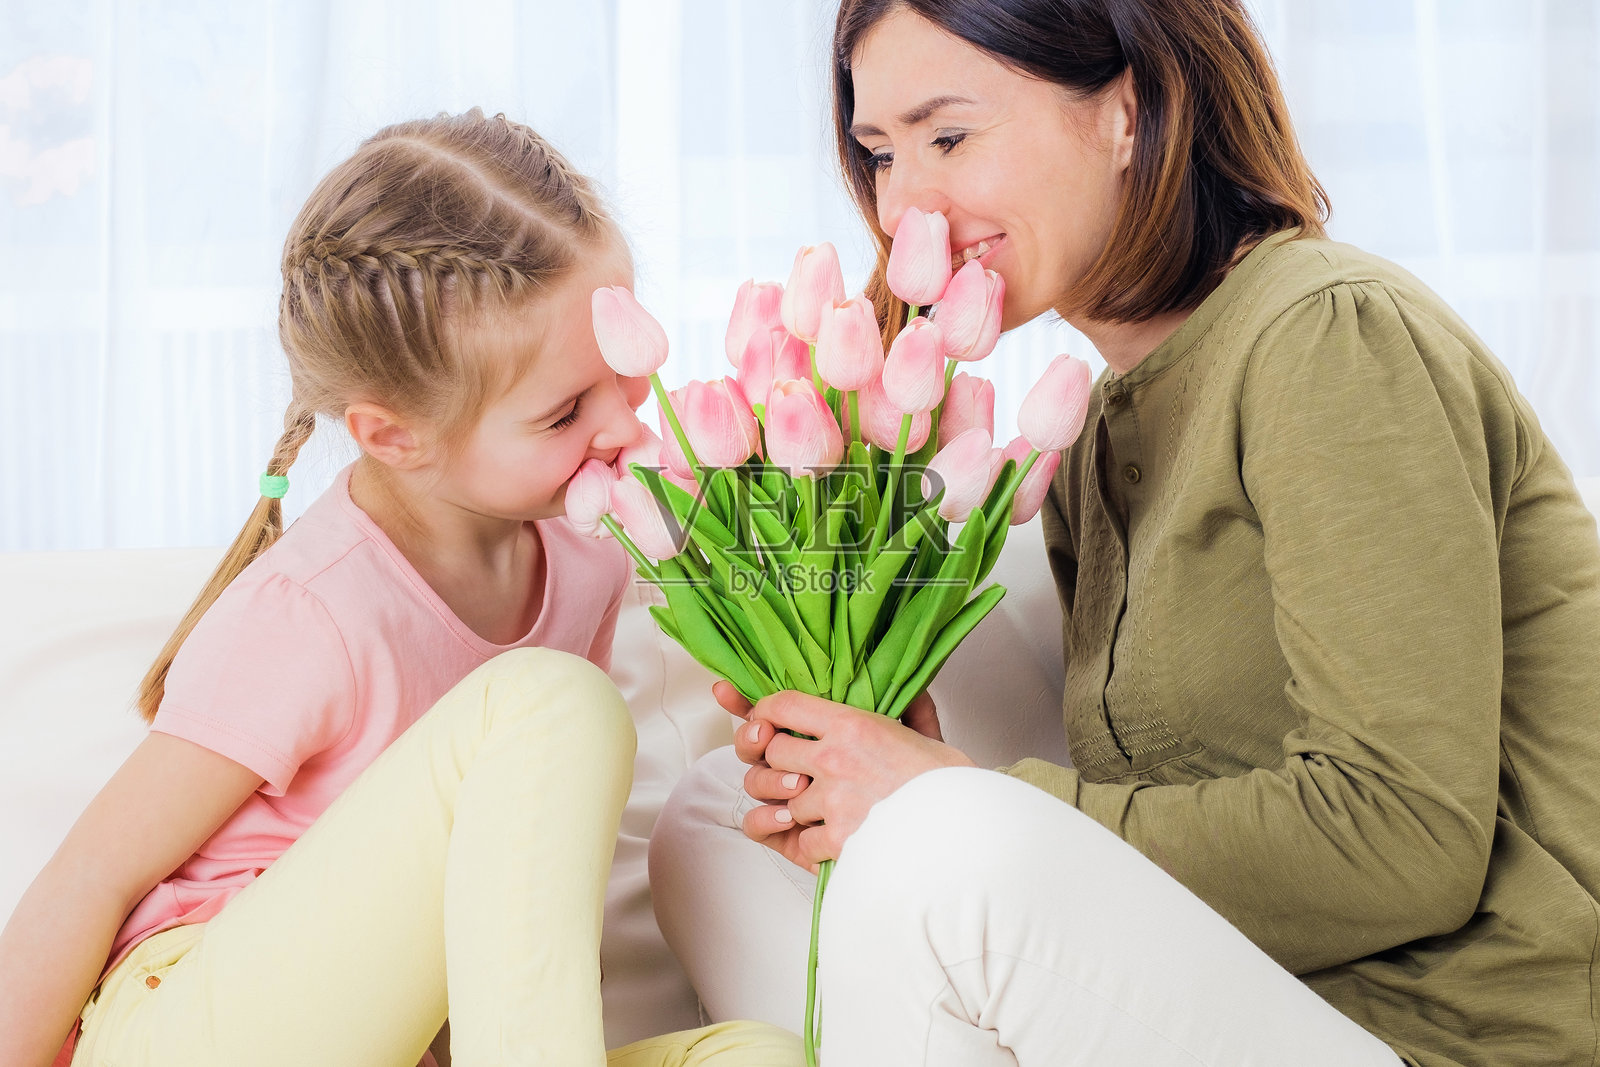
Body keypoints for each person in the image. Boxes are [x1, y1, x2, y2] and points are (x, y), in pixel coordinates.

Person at [648, 3, 1600, 1065]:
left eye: (949, 136)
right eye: (877, 154)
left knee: (934, 833)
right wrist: (876, 746)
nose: (902, 201)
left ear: (1130, 114)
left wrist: (939, 798)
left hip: (1437, 1036)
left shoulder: (1329, 334)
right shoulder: (1099, 433)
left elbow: (1406, 836)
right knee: (719, 816)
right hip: (1218, 996)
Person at [0, 110, 802, 1067]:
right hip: (191, 1022)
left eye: (625, 377)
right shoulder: (312, 609)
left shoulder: (588, 559)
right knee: (553, 703)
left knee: (753, 1054)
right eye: (563, 412)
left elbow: (532, 890)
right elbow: (90, 874)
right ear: (394, 436)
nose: (626, 427)